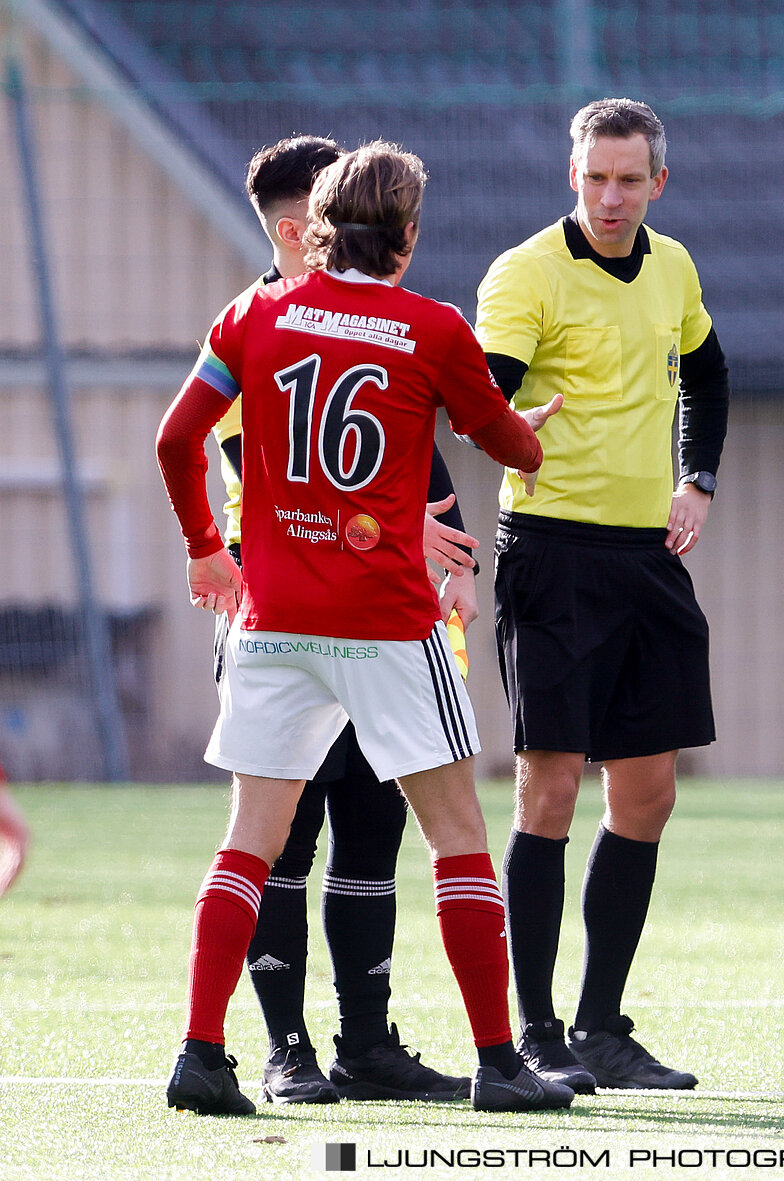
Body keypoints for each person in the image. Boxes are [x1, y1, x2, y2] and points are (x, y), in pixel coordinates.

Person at [154, 141, 571, 1115]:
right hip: (386, 619)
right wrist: (528, 427)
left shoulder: (253, 315)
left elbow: (177, 438)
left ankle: (202, 1051)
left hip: (275, 619)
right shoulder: (431, 327)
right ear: (410, 235)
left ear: (319, 229)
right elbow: (510, 445)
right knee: (459, 836)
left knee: (249, 842)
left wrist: (207, 550)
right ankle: (501, 1062)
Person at [220, 134, 480, 1106]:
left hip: (386, 618)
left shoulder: (382, 323)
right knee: (283, 834)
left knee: (375, 826)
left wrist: (450, 558)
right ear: (300, 228)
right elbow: (273, 465)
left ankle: (365, 1043)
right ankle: (286, 1049)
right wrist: (392, 515)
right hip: (283, 612)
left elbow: (418, 436)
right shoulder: (261, 326)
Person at [474, 97, 729, 1092]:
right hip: (551, 554)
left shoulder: (675, 267)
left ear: (657, 182)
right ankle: (533, 1033)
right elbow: (476, 398)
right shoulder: (527, 273)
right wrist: (508, 425)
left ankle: (600, 1027)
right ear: (570, 176)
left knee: (650, 794)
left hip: (646, 563)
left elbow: (709, 373)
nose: (612, 195)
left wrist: (696, 479)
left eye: (630, 179)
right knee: (548, 789)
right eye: (595, 178)